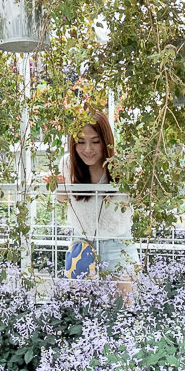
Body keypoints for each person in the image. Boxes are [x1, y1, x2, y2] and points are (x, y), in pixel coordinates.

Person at [42, 111, 138, 295]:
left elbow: (139, 197)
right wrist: (58, 185)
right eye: (81, 142)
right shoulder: (68, 163)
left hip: (118, 247)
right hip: (82, 248)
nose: (88, 149)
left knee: (123, 314)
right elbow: (63, 199)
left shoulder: (122, 166)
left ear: (106, 141)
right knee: (81, 313)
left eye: (95, 142)